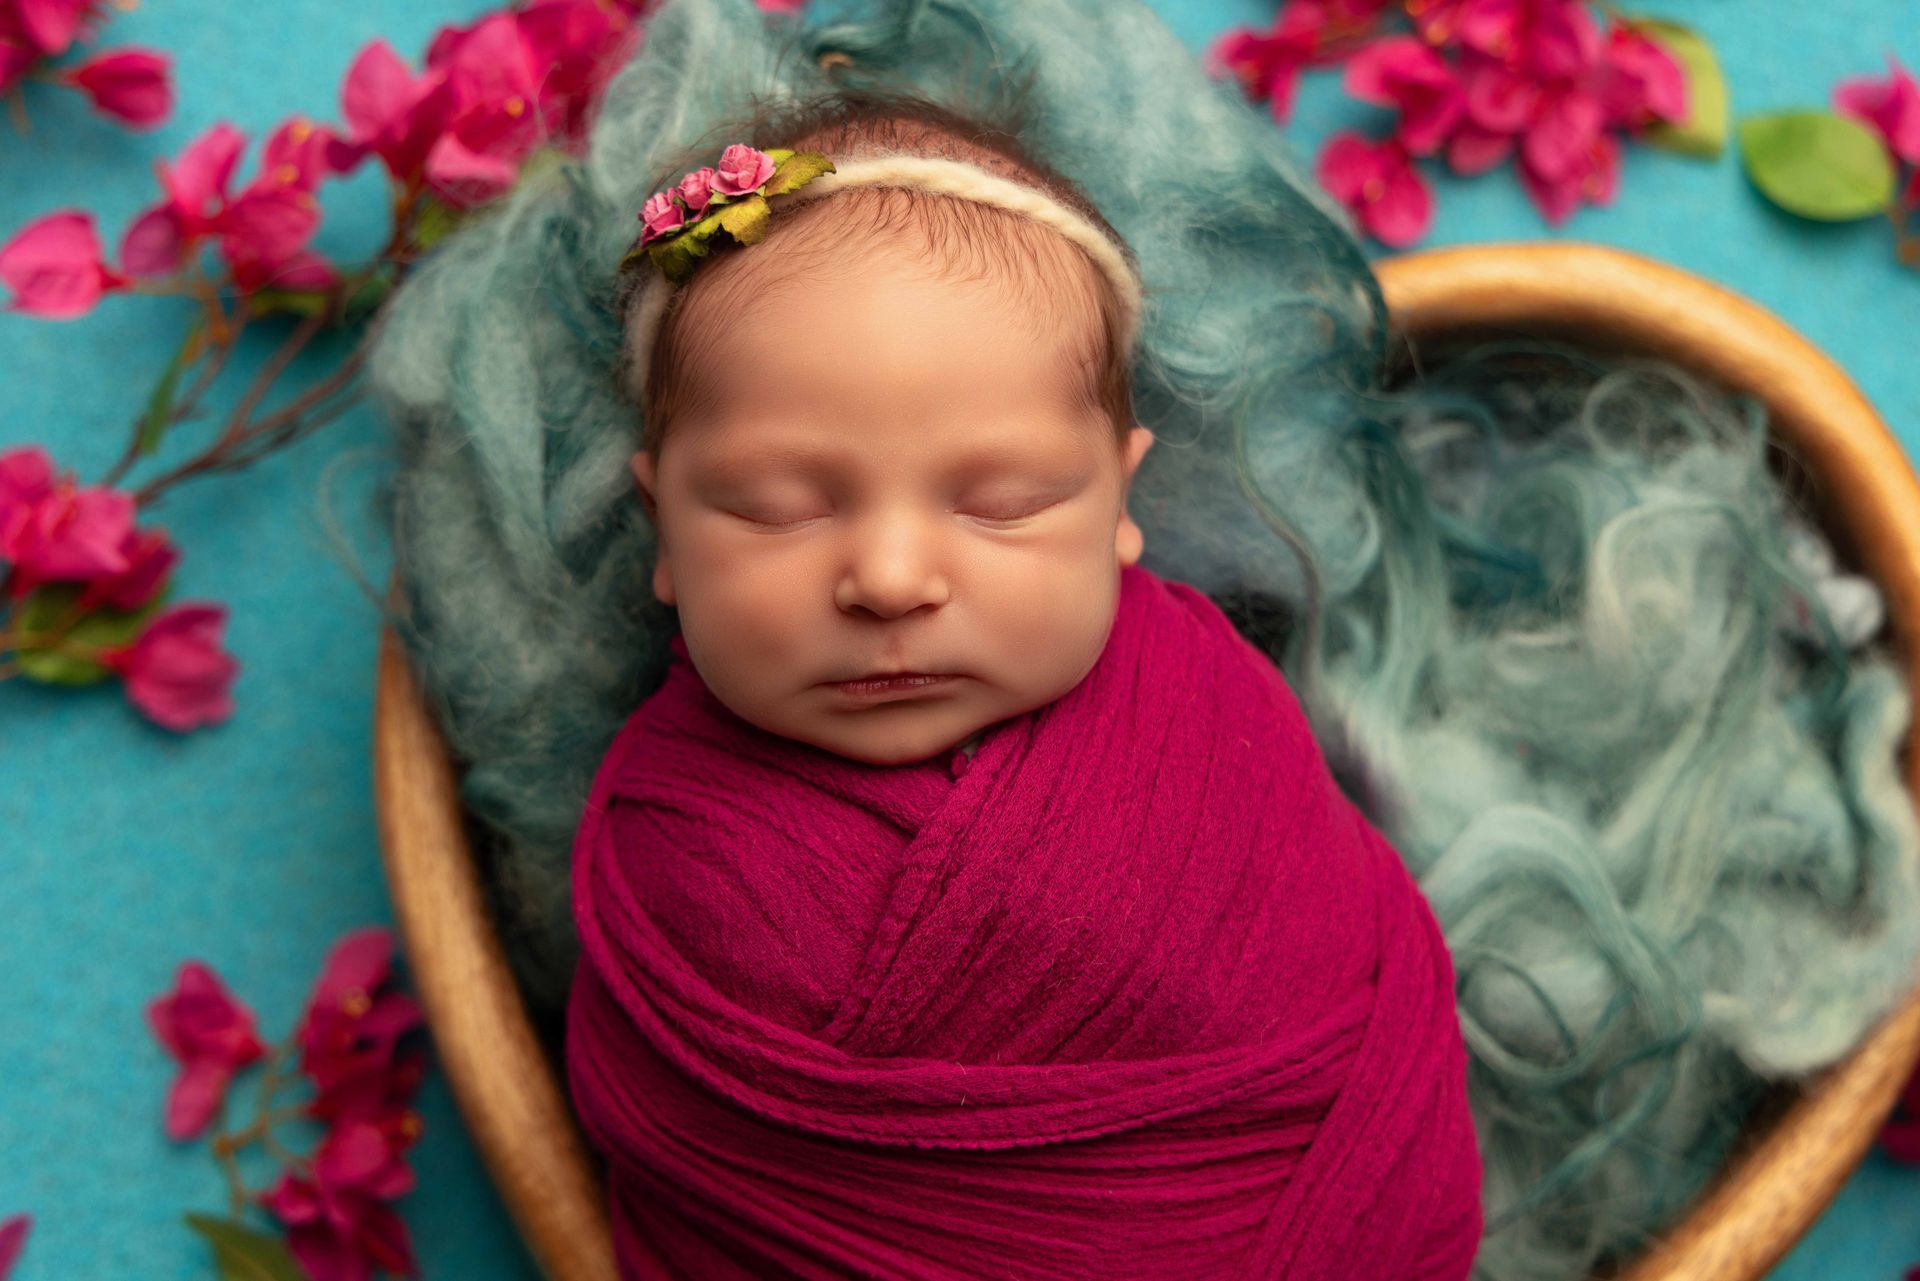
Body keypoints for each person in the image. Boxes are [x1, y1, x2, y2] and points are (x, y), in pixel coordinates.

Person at [370, 0, 1920, 1277]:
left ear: (1125, 504)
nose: (893, 572)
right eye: (775, 508)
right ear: (660, 529)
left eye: (1001, 500)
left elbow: (1369, 1008)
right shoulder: (654, 858)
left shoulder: (1213, 709)